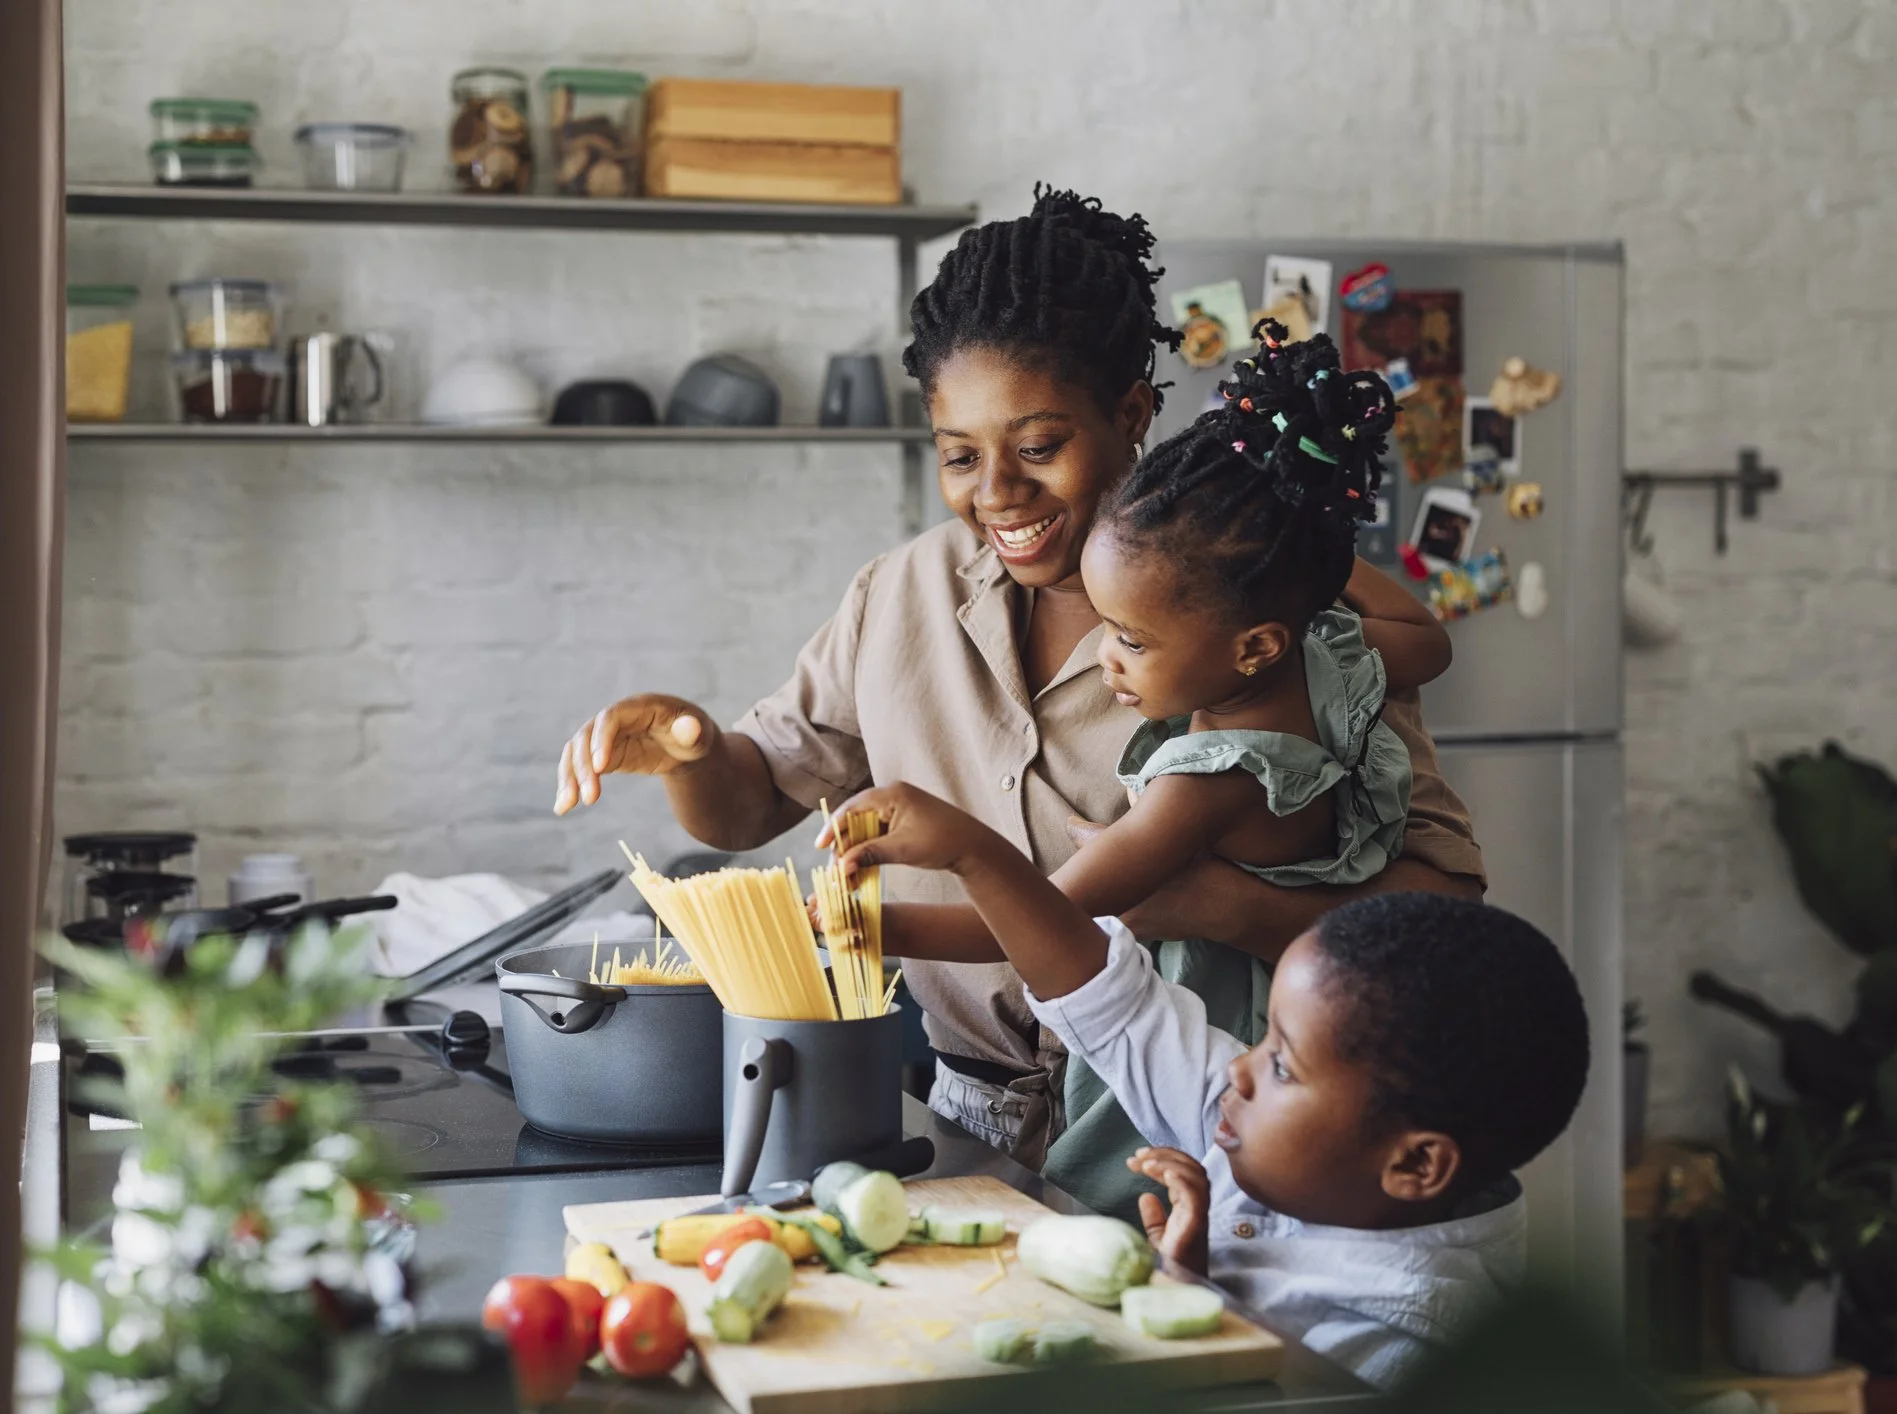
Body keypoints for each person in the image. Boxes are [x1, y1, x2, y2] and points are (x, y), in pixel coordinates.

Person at [551, 186, 1486, 1178]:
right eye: (960, 455)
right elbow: (746, 801)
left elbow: (1441, 921)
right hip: (958, 1125)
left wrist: (1227, 909)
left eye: (1039, 447)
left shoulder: (1263, 612)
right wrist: (689, 747)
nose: (996, 492)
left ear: (1130, 413)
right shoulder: (898, 595)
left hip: (1202, 1133)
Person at [821, 785, 1590, 1392]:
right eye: (1264, 1039)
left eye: (1283, 1065)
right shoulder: (1273, 1138)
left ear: (1415, 1166)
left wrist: (1201, 1307)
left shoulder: (1409, 1341)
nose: (1241, 1069)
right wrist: (970, 855)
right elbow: (1109, 1000)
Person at [864, 319, 1449, 975]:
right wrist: (1292, 542)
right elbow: (1429, 642)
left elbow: (1039, 917)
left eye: (1130, 639)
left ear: (1253, 646)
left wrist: (862, 927)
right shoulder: (1326, 658)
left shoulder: (1204, 784)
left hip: (1218, 1042)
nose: (1104, 655)